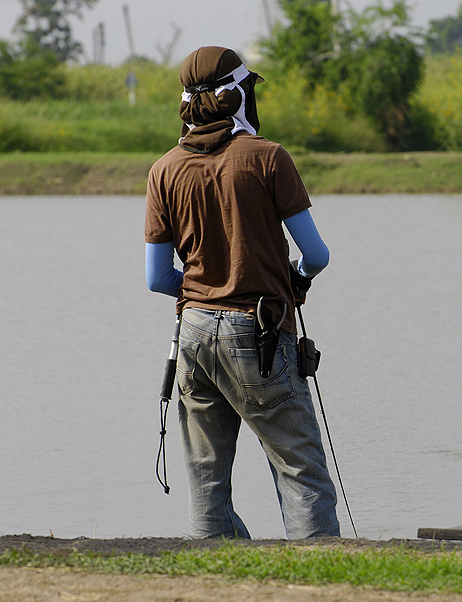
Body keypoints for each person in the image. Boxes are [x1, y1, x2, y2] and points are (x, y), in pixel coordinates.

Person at [144, 46, 340, 539]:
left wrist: (203, 295)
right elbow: (316, 254)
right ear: (239, 94)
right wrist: (294, 280)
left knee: (206, 479)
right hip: (258, 331)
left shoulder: (163, 169)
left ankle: (214, 577)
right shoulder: (268, 157)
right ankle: (325, 575)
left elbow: (157, 278)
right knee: (301, 470)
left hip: (191, 333)